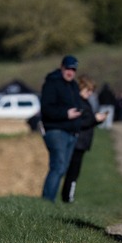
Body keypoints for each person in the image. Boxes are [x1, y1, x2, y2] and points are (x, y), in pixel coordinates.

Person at [39, 55, 88, 202]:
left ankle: (50, 201)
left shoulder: (73, 85)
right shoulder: (52, 83)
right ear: (62, 67)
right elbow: (46, 109)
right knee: (58, 166)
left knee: (63, 168)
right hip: (56, 130)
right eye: (68, 68)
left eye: (73, 69)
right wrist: (66, 114)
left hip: (71, 132)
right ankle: (47, 201)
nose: (70, 72)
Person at [61, 76, 109, 203]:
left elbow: (87, 122)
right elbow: (80, 122)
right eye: (88, 91)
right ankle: (68, 198)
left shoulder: (84, 102)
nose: (90, 94)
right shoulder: (78, 103)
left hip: (82, 142)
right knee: (72, 171)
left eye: (91, 91)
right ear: (81, 89)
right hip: (77, 142)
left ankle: (68, 196)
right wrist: (95, 119)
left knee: (74, 171)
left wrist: (97, 121)